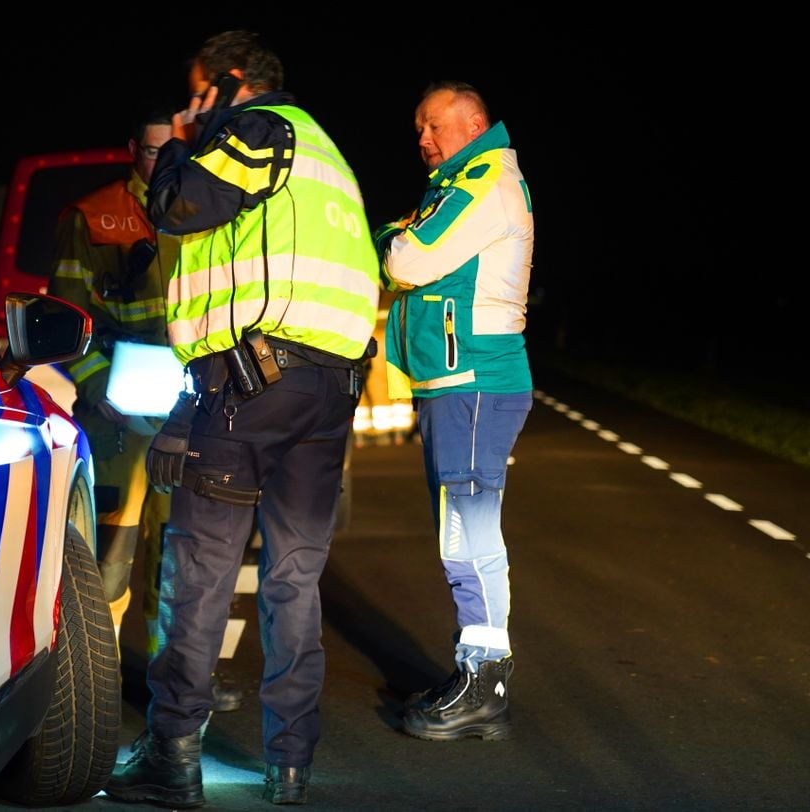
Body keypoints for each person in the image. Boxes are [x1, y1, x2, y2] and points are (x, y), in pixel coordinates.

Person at [104, 31, 379, 807]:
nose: (192, 105)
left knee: (199, 573)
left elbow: (179, 206)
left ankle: (172, 755)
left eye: (198, 91)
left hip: (249, 388)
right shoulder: (327, 153)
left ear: (229, 81)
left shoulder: (255, 129)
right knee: (295, 579)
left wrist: (178, 143)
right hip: (326, 392)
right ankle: (291, 765)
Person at [46, 108, 243, 714]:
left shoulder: (211, 211)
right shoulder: (93, 216)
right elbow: (65, 317)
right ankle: (96, 692)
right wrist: (97, 388)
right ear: (134, 149)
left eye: (175, 150)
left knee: (185, 558)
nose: (165, 162)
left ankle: (182, 684)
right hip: (122, 411)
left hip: (193, 407)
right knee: (110, 556)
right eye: (156, 151)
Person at [374, 80, 534, 742]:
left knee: (467, 532)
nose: (422, 138)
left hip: (474, 381)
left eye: (433, 125)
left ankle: (484, 681)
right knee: (461, 530)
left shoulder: (481, 181)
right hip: (456, 381)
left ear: (472, 125)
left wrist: (394, 233)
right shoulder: (457, 184)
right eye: (418, 128)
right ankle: (475, 669)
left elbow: (410, 260)